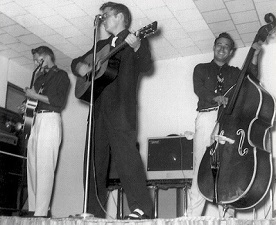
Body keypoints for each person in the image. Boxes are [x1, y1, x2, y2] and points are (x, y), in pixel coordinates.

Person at [71, 2, 153, 220]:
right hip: (98, 109)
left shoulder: (136, 40)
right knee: (94, 162)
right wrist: (83, 67)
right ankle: (93, 211)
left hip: (121, 108)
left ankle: (142, 208)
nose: (103, 19)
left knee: (127, 157)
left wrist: (136, 47)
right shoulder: (102, 44)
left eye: (106, 15)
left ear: (119, 17)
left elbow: (146, 65)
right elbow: (74, 63)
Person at [188, 32, 263, 218]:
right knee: (200, 168)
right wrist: (216, 98)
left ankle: (227, 217)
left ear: (230, 52)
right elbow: (200, 89)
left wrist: (254, 56)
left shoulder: (236, 73)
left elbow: (253, 80)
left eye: (226, 46)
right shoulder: (201, 68)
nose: (222, 48)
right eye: (219, 45)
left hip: (229, 121)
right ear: (214, 47)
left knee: (228, 168)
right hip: (207, 118)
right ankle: (191, 218)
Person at [19, 46, 70, 217]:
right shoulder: (39, 78)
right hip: (36, 120)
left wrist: (34, 96)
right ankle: (34, 208)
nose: (35, 63)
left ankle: (41, 212)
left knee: (45, 167)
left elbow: (58, 101)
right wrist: (26, 105)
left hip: (50, 119)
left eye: (37, 59)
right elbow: (35, 101)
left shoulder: (61, 76)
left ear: (46, 57)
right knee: (32, 165)